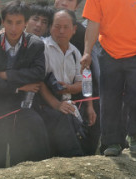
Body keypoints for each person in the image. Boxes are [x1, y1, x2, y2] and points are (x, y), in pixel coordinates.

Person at [81, 0, 136, 156]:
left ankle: (134, 135)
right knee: (110, 100)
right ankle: (111, 142)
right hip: (109, 53)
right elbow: (93, 23)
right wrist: (87, 51)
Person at [0, 2, 51, 170]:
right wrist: (19, 86)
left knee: (35, 128)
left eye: (18, 23)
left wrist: (7, 75)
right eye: (9, 22)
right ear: (3, 22)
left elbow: (39, 73)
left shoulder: (35, 44)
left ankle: (36, 172)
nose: (13, 28)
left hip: (24, 102)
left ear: (26, 23)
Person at [40, 9, 96, 157]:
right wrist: (56, 104)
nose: (61, 31)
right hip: (46, 104)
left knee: (89, 125)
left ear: (74, 29)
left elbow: (83, 82)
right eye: (57, 26)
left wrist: (68, 88)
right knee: (64, 120)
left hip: (69, 102)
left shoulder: (75, 53)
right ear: (50, 27)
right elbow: (39, 82)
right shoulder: (42, 48)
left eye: (66, 27)